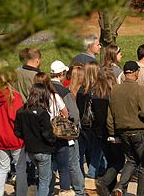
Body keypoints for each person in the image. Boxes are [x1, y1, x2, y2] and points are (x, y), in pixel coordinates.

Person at [108, 61, 144, 196]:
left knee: (131, 160)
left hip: (122, 132)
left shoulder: (115, 90)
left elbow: (110, 116)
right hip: (139, 131)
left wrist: (112, 133)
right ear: (136, 72)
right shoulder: (139, 89)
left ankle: (120, 186)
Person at [0, 67, 27, 196]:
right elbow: (18, 118)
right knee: (20, 168)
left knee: (2, 167)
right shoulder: (14, 96)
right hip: (15, 138)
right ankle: (21, 193)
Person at [33, 72, 72, 196]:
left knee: (48, 169)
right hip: (58, 134)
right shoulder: (54, 96)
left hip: (43, 137)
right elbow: (66, 112)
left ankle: (47, 191)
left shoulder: (35, 100)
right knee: (64, 168)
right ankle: (64, 191)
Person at [14, 84, 56, 196]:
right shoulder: (43, 113)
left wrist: (28, 137)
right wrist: (54, 141)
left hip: (30, 151)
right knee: (44, 181)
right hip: (43, 151)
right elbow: (47, 134)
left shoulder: (21, 111)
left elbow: (17, 132)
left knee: (45, 177)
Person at [50, 60, 85, 196]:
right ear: (62, 74)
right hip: (65, 134)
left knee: (52, 165)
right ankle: (79, 191)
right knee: (73, 164)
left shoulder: (43, 88)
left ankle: (50, 189)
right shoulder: (64, 91)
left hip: (48, 133)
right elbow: (75, 115)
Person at [76, 62, 110, 189]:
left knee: (89, 152)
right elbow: (101, 113)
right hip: (97, 127)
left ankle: (99, 172)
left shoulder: (81, 90)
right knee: (97, 152)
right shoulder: (99, 91)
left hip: (84, 127)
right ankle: (91, 177)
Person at [95, 68, 125, 196]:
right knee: (119, 161)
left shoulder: (95, 94)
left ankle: (109, 188)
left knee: (111, 160)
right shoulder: (112, 96)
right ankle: (104, 182)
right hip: (112, 132)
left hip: (99, 133)